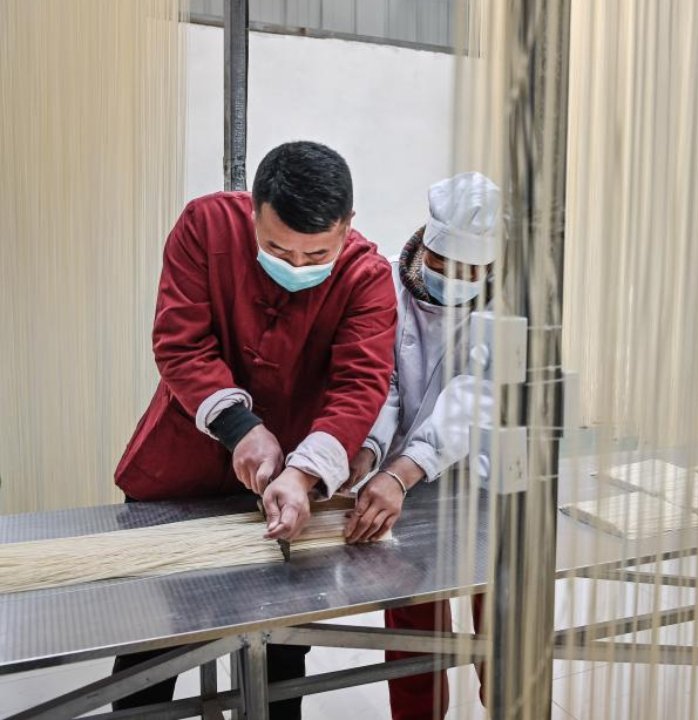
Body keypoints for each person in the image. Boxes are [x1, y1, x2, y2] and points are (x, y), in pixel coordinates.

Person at [111, 140, 398, 718]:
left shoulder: (368, 277)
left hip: (288, 486)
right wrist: (241, 428)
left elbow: (359, 386)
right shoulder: (205, 226)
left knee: (279, 648)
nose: (295, 267)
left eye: (316, 253)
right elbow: (181, 342)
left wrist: (304, 473)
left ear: (348, 227)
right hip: (181, 470)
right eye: (276, 248)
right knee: (154, 643)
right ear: (252, 211)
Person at [343, 171, 499, 720]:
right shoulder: (385, 285)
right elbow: (380, 380)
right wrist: (364, 451)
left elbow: (474, 397)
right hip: (404, 487)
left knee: (504, 623)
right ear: (424, 246)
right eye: (443, 266)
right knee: (415, 633)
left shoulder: (508, 305)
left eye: (471, 272)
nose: (454, 280)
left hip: (484, 485)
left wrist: (403, 470)